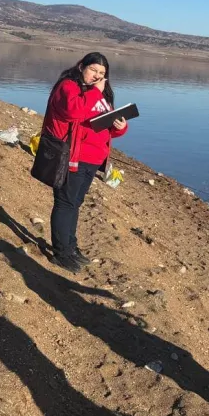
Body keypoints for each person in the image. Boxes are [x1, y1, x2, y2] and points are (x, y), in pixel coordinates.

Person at [41, 52, 128, 272]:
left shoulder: (100, 94)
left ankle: (71, 246)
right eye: (93, 70)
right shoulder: (68, 87)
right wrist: (94, 93)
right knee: (66, 203)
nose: (97, 77)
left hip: (93, 159)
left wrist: (120, 127)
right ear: (81, 67)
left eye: (102, 73)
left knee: (75, 203)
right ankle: (61, 253)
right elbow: (73, 112)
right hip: (71, 157)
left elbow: (101, 127)